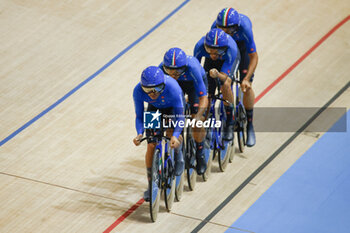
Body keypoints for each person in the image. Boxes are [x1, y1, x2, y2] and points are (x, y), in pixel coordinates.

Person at [133, 66, 185, 201]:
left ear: (163, 85)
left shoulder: (173, 88)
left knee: (172, 134)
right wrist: (139, 133)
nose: (152, 93)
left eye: (156, 89)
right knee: (151, 145)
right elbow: (139, 116)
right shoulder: (137, 91)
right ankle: (151, 184)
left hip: (172, 109)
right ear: (142, 87)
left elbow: (180, 117)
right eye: (148, 90)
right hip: (154, 109)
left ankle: (179, 155)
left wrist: (175, 135)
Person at [212, 7, 258, 147]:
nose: (226, 33)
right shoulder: (215, 27)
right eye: (222, 29)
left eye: (229, 30)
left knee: (246, 88)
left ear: (236, 27)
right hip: (226, 51)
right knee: (225, 84)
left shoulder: (244, 28)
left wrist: (246, 79)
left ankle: (249, 124)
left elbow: (254, 56)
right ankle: (230, 117)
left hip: (242, 50)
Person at [160, 47, 209, 175]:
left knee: (196, 122)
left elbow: (203, 97)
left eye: (177, 71)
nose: (173, 74)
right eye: (169, 70)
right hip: (176, 88)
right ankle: (178, 155)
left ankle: (200, 153)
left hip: (193, 85)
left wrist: (198, 115)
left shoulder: (192, 68)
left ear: (184, 67)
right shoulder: (160, 70)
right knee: (171, 120)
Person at [194, 28, 240, 141]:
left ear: (223, 48)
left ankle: (230, 120)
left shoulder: (231, 48)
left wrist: (218, 74)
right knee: (207, 93)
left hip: (226, 61)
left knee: (225, 84)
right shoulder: (200, 46)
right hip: (210, 63)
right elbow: (195, 70)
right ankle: (206, 121)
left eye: (217, 51)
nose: (213, 54)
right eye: (210, 50)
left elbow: (225, 77)